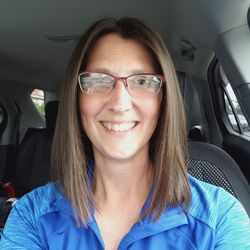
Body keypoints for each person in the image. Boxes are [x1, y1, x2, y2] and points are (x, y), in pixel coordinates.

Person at [0, 17, 249, 250]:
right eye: (98, 80)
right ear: (76, 100)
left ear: (163, 100)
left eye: (142, 81)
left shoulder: (219, 219)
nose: (119, 103)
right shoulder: (31, 216)